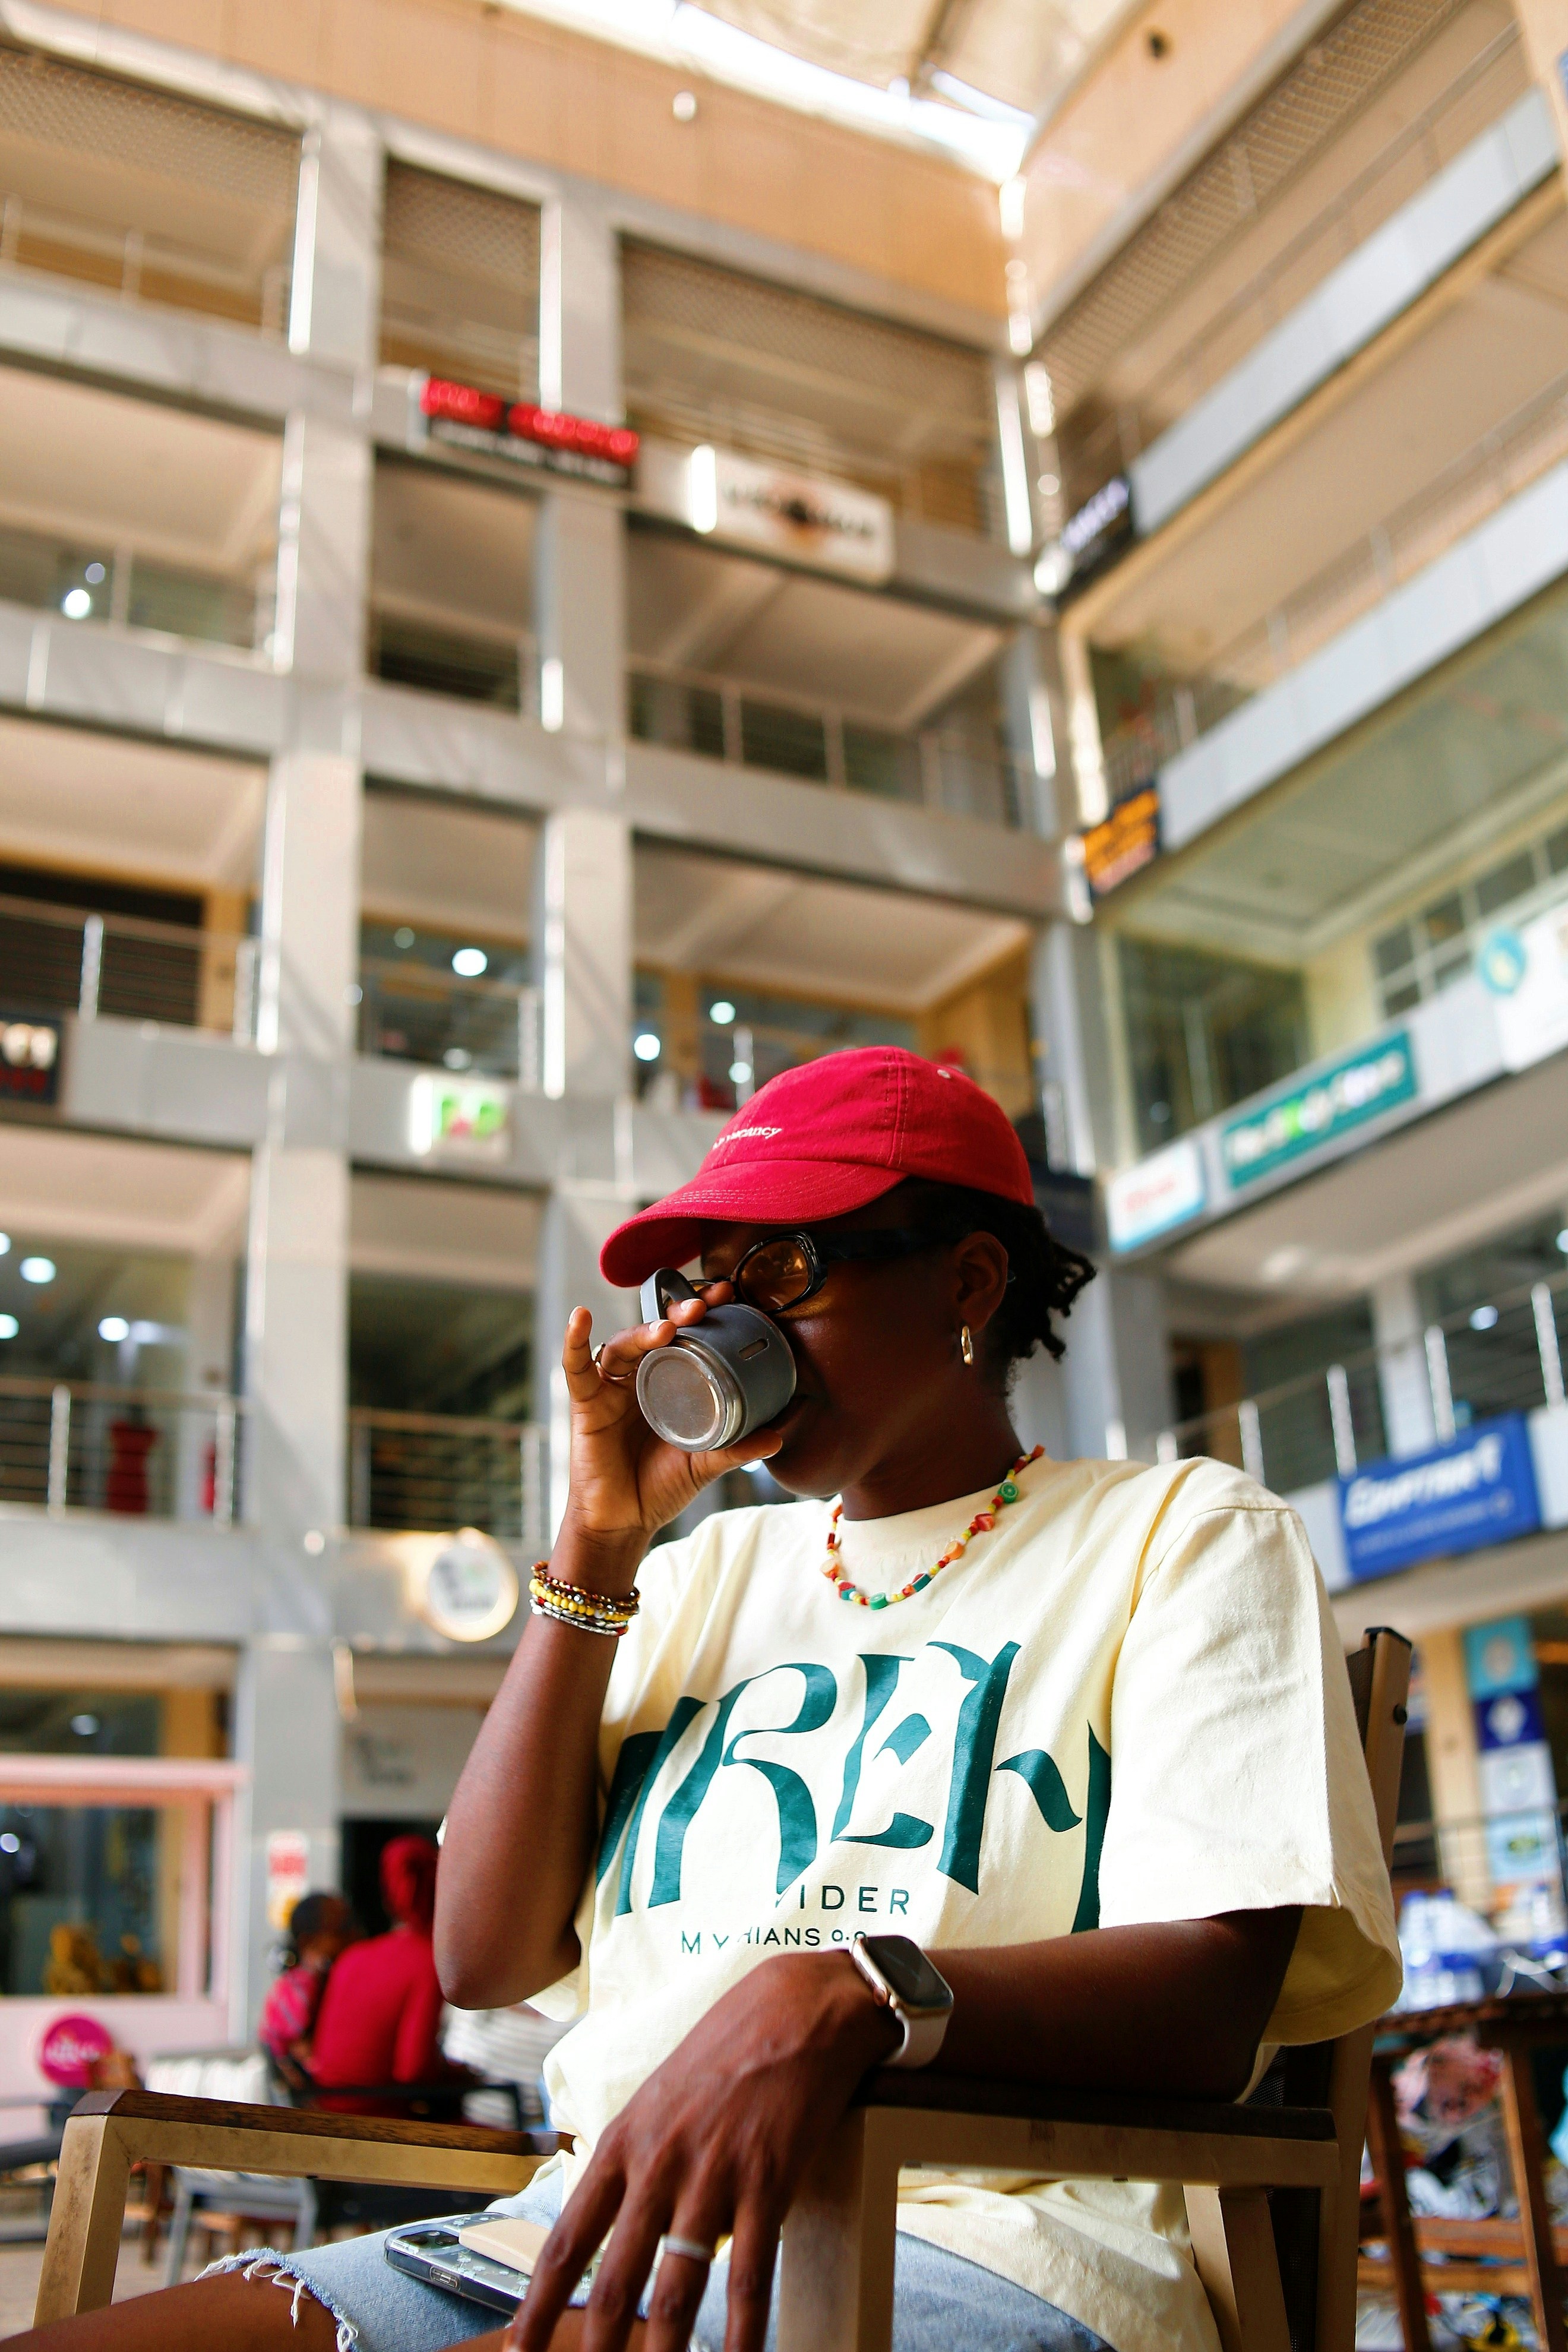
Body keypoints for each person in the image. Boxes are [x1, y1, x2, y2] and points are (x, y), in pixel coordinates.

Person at [13, 1047, 1401, 2352]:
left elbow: (1216, 1999)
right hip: (566, 2236)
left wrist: (855, 1989)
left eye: (781, 1270)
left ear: (968, 1281)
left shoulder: (1181, 1531)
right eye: (702, 1281)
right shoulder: (695, 1577)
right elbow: (483, 1958)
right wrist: (595, 1550)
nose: (724, 1324)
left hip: (981, 2245)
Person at [306, 1837, 457, 2111]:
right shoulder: (427, 1961)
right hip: (376, 2119)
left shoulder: (352, 1958)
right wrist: (453, 2074)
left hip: (325, 2108)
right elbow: (413, 2072)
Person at [257, 1891, 356, 2092]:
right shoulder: (301, 1986)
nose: (353, 1935)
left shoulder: (306, 1981)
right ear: (308, 1942)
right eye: (340, 1929)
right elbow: (299, 2048)